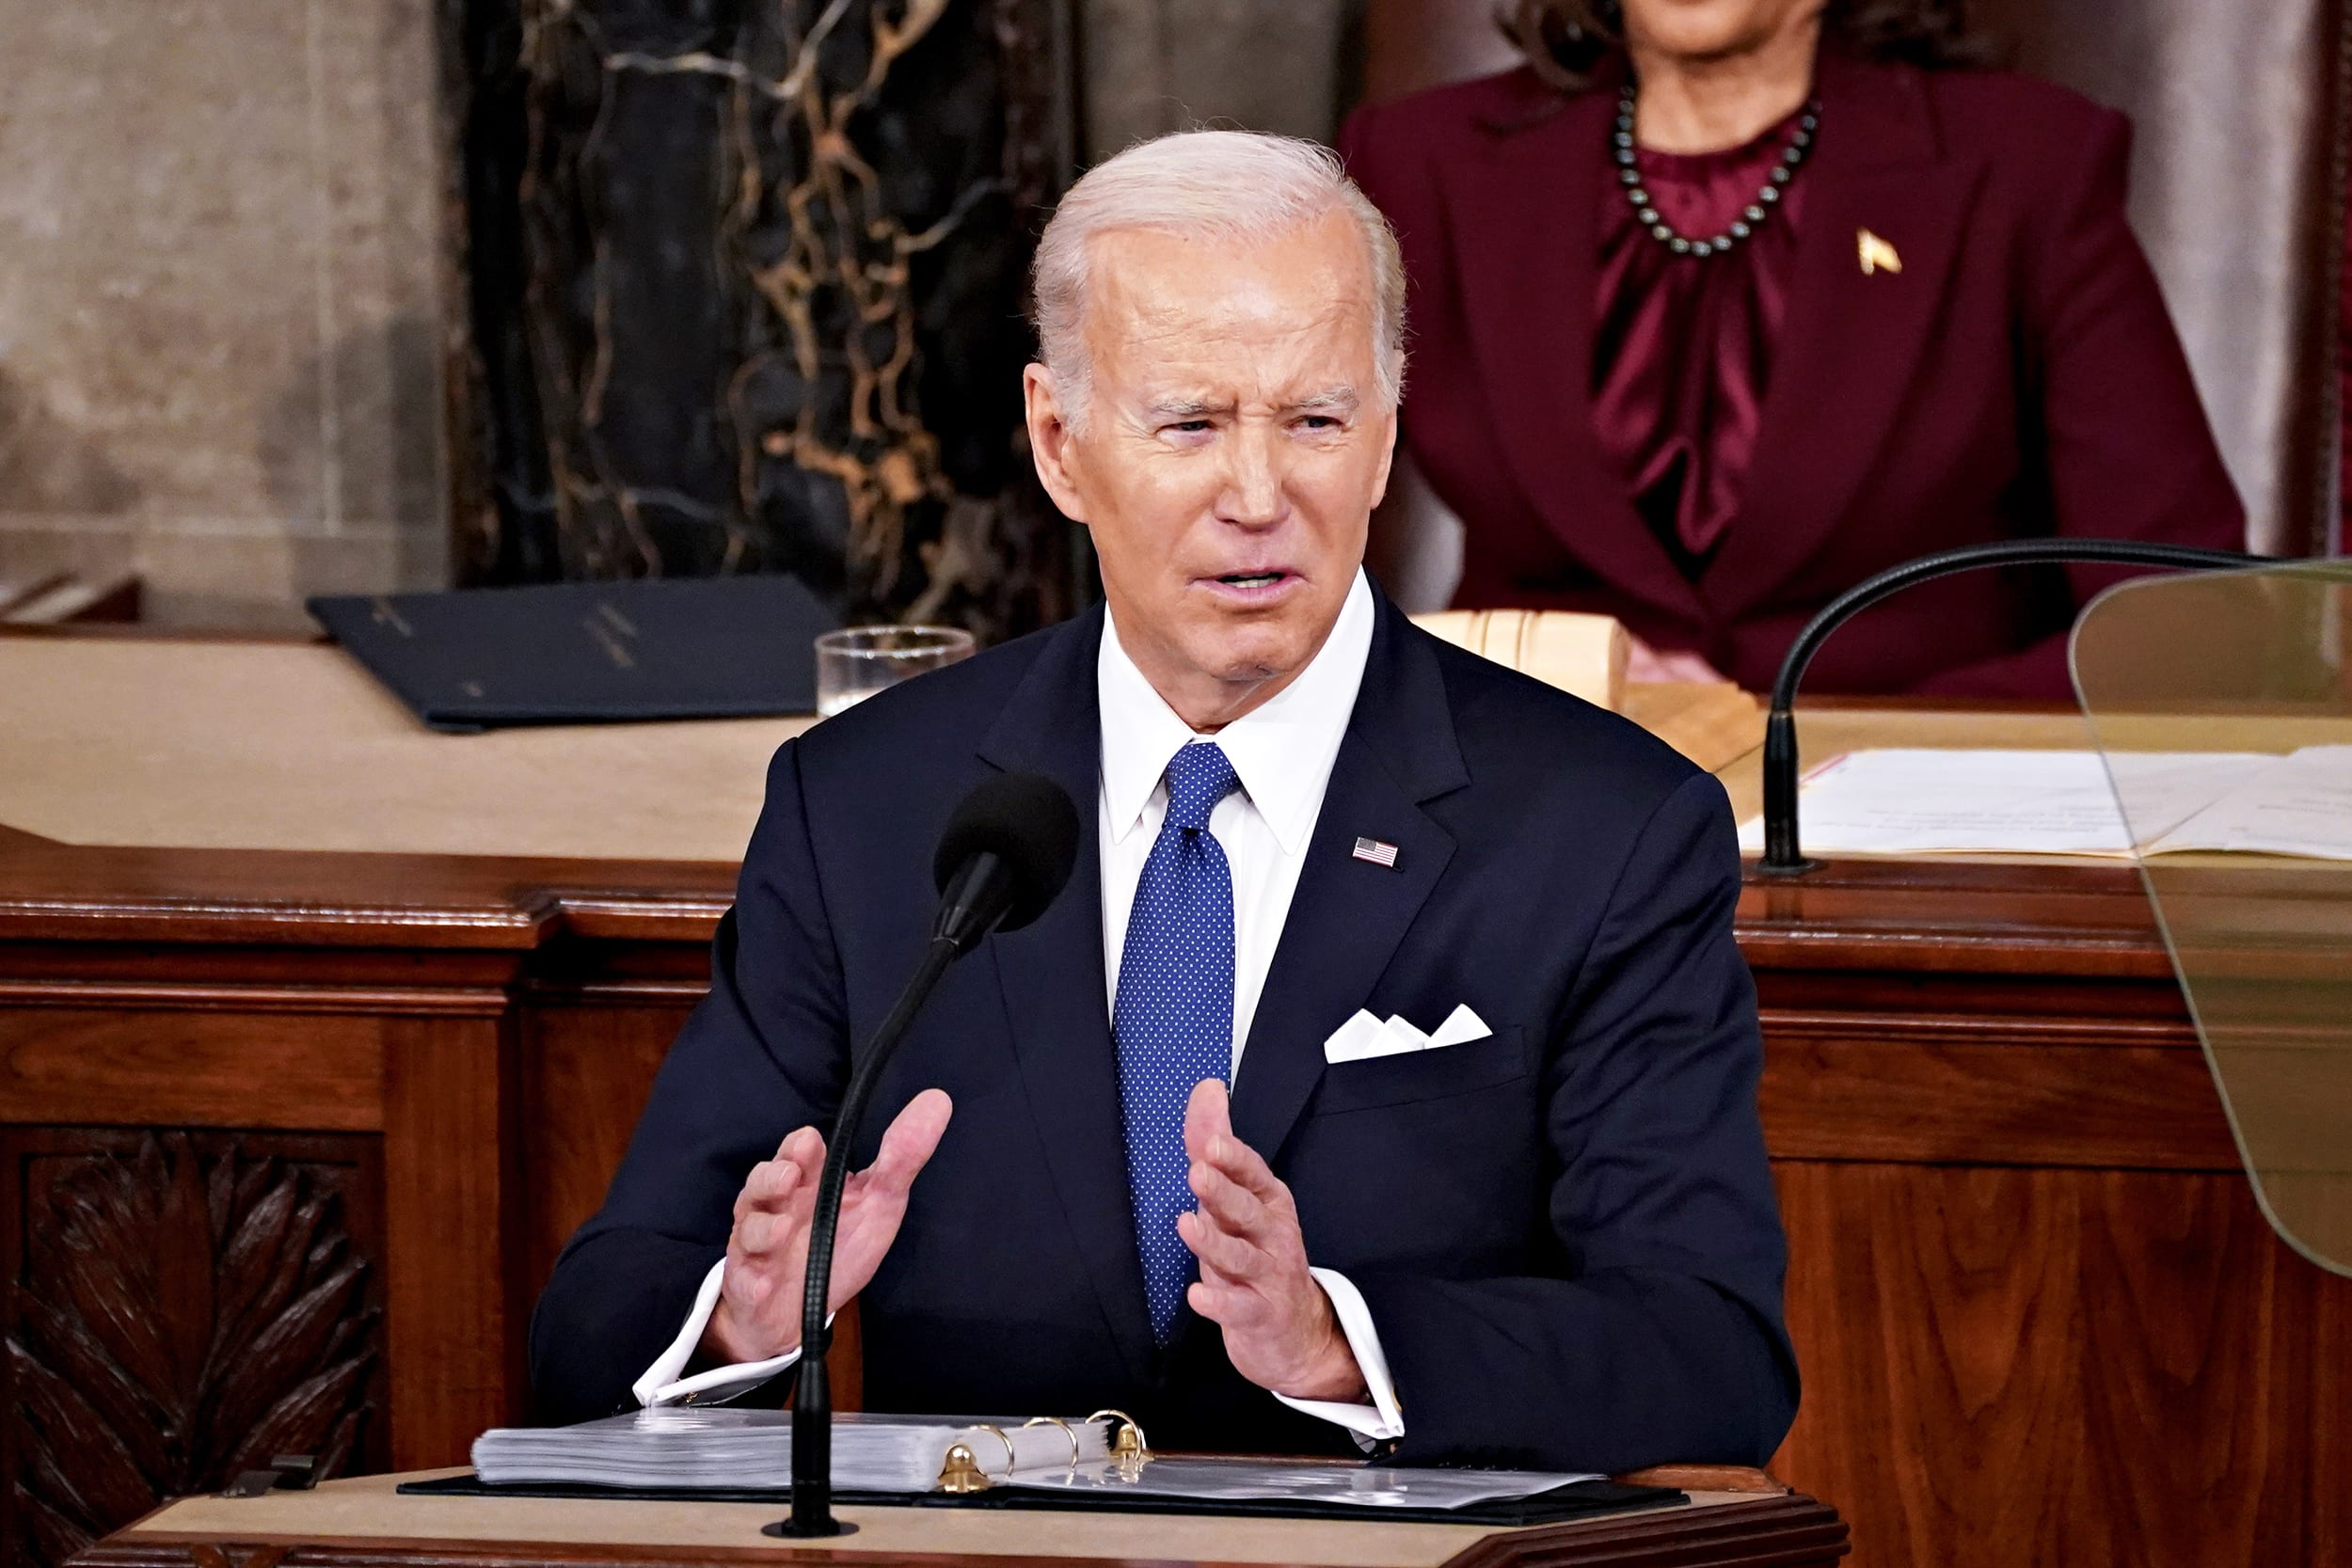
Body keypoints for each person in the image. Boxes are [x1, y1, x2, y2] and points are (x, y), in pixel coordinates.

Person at [531, 131, 1796, 1472]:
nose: (1259, 496)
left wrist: (1336, 1339)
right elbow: (590, 1328)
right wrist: (739, 1317)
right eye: (1190, 424)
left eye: (1314, 419)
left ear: (1386, 433)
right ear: (1059, 442)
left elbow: (1708, 1350)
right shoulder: (866, 808)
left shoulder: (1604, 827)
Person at [1340, 0, 2246, 697]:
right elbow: (1272, 544)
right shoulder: (1424, 162)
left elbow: (2181, 623)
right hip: (1539, 804)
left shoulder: (2026, 166)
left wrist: (1813, 738)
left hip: (1901, 824)